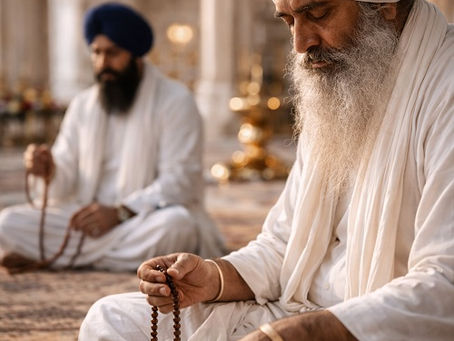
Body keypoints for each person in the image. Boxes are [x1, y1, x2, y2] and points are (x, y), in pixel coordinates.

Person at [79, 0, 454, 340]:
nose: (300, 43)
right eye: (289, 21)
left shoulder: (445, 86)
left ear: (385, 4)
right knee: (110, 317)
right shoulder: (342, 83)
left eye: (318, 14)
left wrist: (303, 333)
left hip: (376, 326)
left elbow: (446, 284)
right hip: (295, 311)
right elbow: (282, 244)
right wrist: (214, 278)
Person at [0, 2, 225, 273]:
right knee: (7, 222)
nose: (102, 63)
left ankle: (65, 258)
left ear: (136, 55)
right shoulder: (83, 105)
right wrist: (47, 171)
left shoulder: (176, 101)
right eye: (96, 53)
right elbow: (65, 174)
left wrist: (119, 213)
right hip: (87, 220)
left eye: (112, 53)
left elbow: (180, 181)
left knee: (177, 226)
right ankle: (108, 259)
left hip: (141, 219)